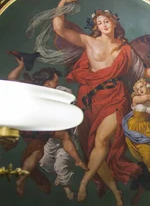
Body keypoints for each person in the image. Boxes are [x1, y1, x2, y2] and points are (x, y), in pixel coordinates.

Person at [52, 0, 150, 206]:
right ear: (96, 26)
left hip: (115, 97)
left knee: (101, 140)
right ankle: (114, 190)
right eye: (99, 23)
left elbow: (143, 71)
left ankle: (83, 183)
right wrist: (61, 5)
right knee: (93, 146)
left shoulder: (125, 49)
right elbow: (60, 29)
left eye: (106, 21)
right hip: (91, 99)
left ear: (113, 23)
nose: (103, 25)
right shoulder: (89, 42)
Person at [5, 55, 88, 196]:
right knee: (64, 136)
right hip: (37, 123)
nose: (56, 83)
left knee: (37, 152)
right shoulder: (51, 92)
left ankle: (21, 179)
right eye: (54, 81)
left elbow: (11, 80)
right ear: (48, 83)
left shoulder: (32, 87)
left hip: (25, 123)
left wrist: (20, 66)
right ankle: (78, 160)